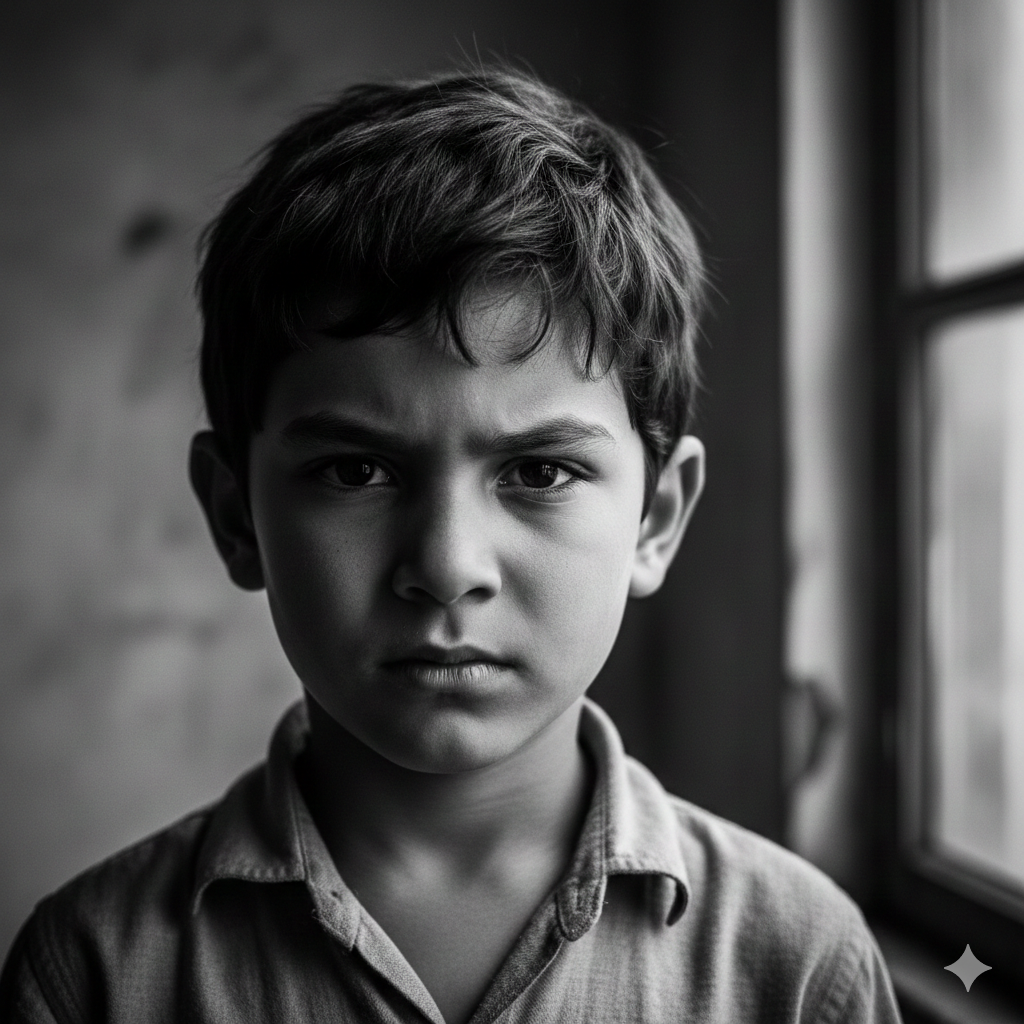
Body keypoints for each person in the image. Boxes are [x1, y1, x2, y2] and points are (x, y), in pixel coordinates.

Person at [0, 67, 902, 1024]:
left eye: (541, 473)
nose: (445, 566)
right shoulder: (94, 976)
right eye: (355, 472)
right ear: (235, 517)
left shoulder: (799, 967)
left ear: (657, 518)